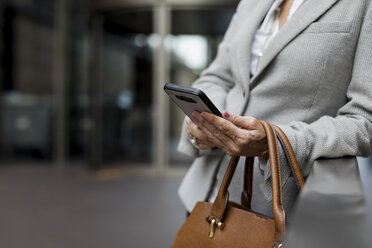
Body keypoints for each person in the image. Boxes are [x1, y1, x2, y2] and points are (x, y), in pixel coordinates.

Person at [177, 0, 372, 218]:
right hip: (204, 197)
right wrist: (209, 122)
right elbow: (217, 76)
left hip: (276, 213)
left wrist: (275, 142)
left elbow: (365, 121)